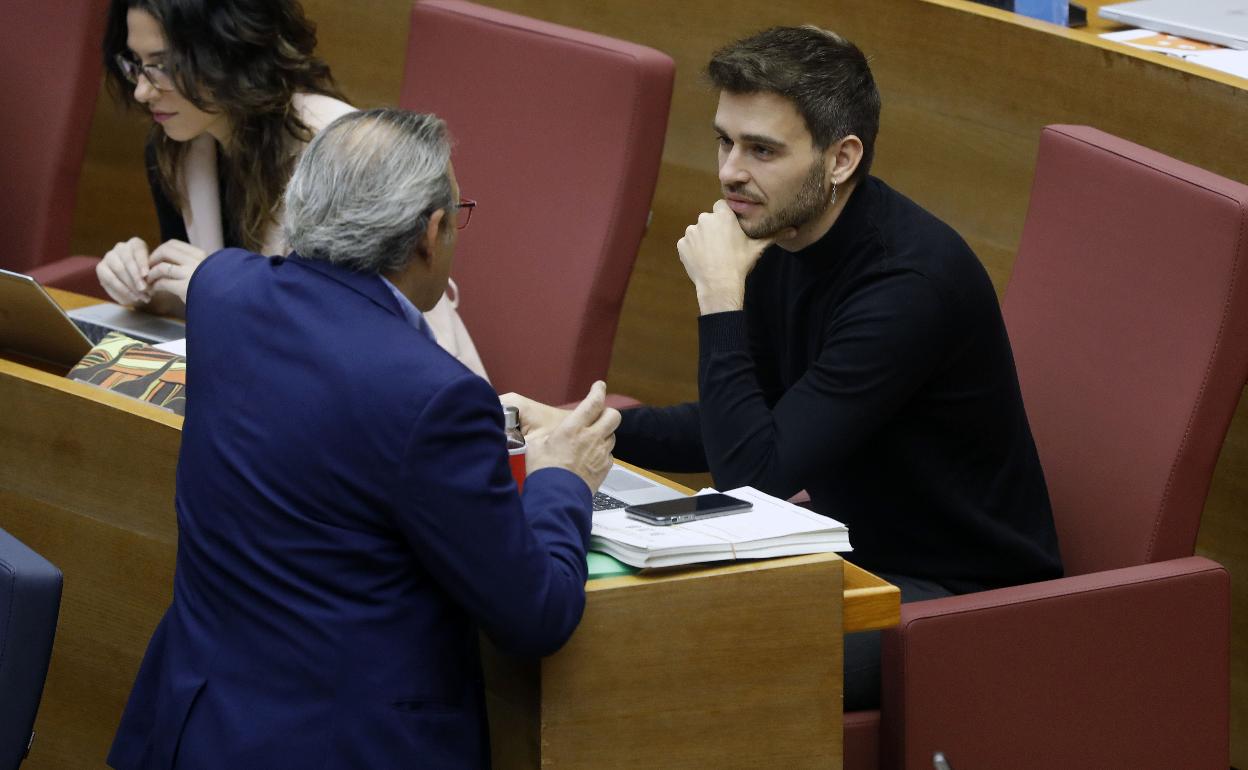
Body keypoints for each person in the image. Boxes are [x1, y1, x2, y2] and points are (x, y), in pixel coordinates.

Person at [503, 25, 1062, 710]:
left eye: (762, 150)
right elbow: (742, 429)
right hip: (843, 558)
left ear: (840, 159)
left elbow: (756, 476)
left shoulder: (908, 286)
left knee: (658, 658)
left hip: (957, 603)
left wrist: (718, 298)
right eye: (725, 141)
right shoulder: (779, 232)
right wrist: (578, 426)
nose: (730, 172)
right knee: (596, 618)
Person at [107, 108, 620, 769]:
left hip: (193, 727)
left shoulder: (223, 293)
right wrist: (561, 479)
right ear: (430, 233)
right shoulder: (435, 395)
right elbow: (534, 617)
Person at [97, 0, 486, 376]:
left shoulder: (342, 154)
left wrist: (223, 286)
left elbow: (366, 328)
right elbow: (211, 311)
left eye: (163, 66)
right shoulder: (175, 147)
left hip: (396, 401)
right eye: (137, 64)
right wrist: (151, 285)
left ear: (232, 49)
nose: (141, 92)